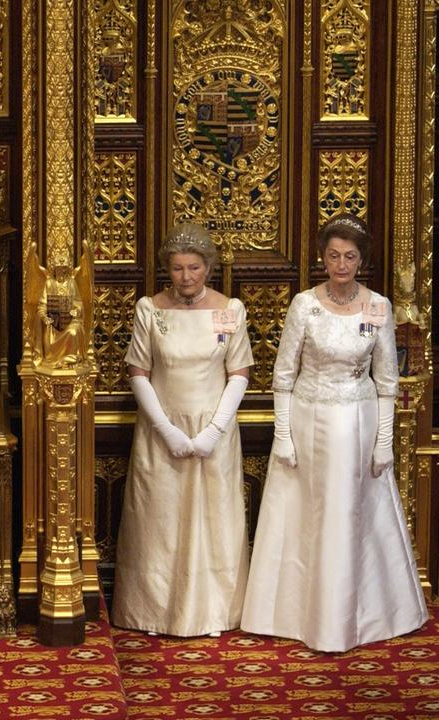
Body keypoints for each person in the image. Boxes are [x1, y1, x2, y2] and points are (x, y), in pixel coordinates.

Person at [241, 214, 427, 652]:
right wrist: (282, 434)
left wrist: (384, 442)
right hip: (307, 420)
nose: (340, 264)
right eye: (333, 256)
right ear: (322, 258)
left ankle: (349, 618)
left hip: (357, 423)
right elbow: (283, 375)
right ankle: (294, 614)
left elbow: (387, 380)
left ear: (361, 260)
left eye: (349, 257)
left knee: (349, 514)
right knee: (303, 512)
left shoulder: (378, 306)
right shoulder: (303, 304)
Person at [111, 223, 253, 637]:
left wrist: (214, 430)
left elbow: (239, 373)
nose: (186, 277)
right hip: (161, 432)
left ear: (207, 267)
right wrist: (166, 429)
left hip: (215, 432)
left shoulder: (230, 310)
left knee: (214, 521)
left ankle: (213, 613)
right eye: (177, 269)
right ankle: (153, 613)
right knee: (160, 523)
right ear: (167, 270)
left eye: (194, 267)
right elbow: (138, 371)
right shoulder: (150, 310)